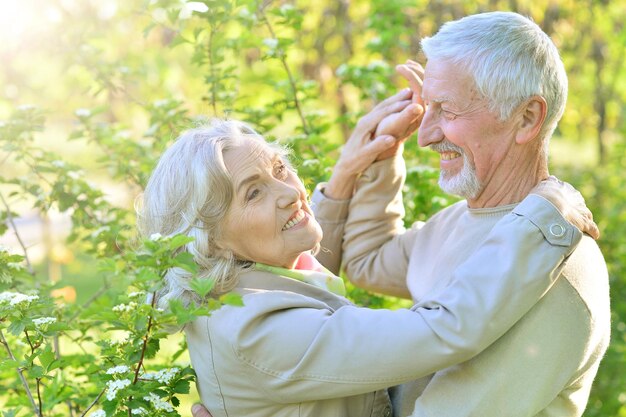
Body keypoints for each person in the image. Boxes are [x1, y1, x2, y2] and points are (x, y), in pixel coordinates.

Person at [138, 100, 596, 415]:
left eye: (281, 168)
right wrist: (542, 216)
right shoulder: (257, 333)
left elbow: (308, 280)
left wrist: (348, 176)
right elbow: (445, 329)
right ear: (211, 238)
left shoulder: (243, 285)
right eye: (253, 193)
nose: (288, 192)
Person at [311, 11, 609, 417]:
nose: (425, 135)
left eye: (447, 111)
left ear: (527, 118)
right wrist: (370, 161)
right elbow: (366, 261)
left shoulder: (552, 265)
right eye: (426, 107)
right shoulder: (459, 220)